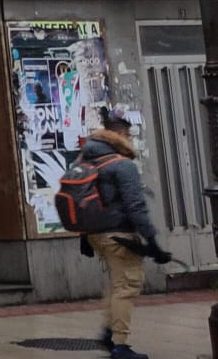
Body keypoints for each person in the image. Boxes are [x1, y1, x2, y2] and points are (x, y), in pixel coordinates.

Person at [78, 112, 167, 359]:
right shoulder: (122, 164)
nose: (131, 139)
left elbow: (82, 198)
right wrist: (152, 241)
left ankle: (109, 331)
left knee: (117, 283)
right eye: (128, 135)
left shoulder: (87, 158)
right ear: (119, 135)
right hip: (117, 233)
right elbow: (135, 206)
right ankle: (120, 344)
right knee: (127, 284)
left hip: (96, 234)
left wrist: (84, 235)